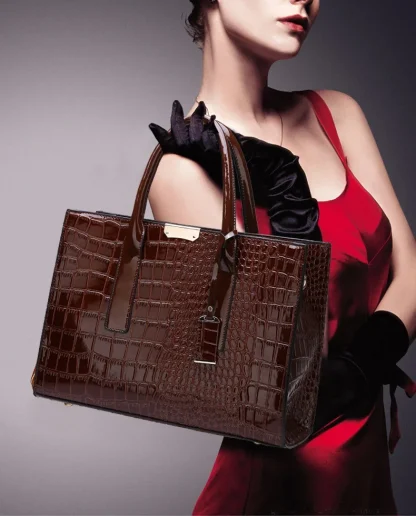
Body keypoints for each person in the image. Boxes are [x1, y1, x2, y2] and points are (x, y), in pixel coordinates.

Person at [147, 0, 416, 514]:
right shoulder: (181, 171)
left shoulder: (337, 114)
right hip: (281, 484)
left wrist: (362, 367)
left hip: (362, 471)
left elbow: (412, 271)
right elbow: (275, 365)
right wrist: (285, 190)